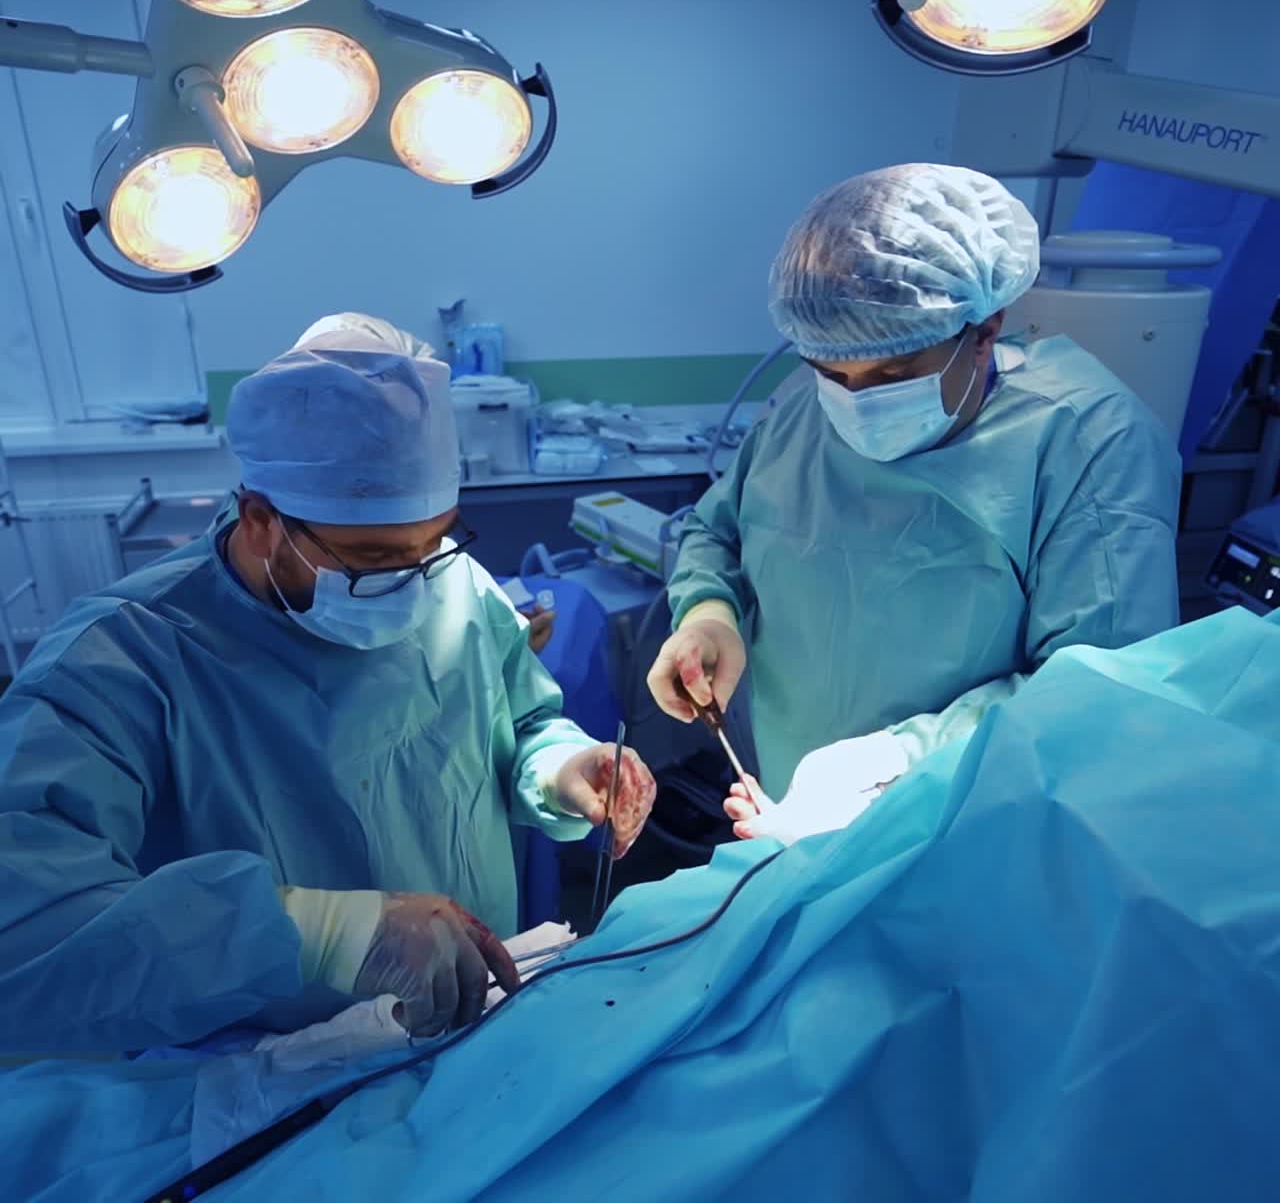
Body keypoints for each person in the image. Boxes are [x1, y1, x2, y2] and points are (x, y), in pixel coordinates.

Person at [0, 313, 655, 1053]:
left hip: (468, 1021)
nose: (412, 579)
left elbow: (523, 723)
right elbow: (26, 920)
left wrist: (566, 772)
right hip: (261, 1068)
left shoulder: (456, 588)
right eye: (372, 558)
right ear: (258, 521)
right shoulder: (123, 658)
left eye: (434, 538)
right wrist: (331, 936)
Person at [647, 163, 1181, 843]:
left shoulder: (1086, 442)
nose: (853, 399)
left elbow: (1097, 694)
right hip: (797, 819)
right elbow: (716, 531)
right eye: (829, 372)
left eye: (894, 373)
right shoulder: (802, 418)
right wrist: (709, 616)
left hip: (974, 825)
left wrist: (894, 766)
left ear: (985, 328)